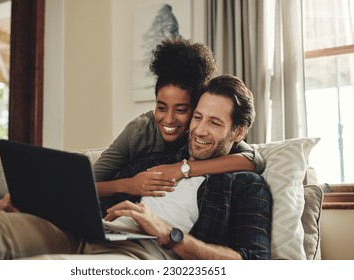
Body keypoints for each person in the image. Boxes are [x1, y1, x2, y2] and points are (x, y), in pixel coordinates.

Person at [0, 74, 272, 260]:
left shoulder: (246, 185)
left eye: (214, 122)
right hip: (94, 232)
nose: (199, 130)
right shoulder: (154, 159)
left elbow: (253, 263)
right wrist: (35, 205)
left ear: (238, 131)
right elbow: (89, 198)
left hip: (146, 254)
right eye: (197, 117)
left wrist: (169, 234)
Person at [93, 37, 265, 203]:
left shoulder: (203, 133)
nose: (168, 119)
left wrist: (181, 169)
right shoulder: (139, 130)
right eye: (161, 107)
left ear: (197, 107)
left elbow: (253, 160)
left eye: (181, 110)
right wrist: (129, 185)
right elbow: (87, 184)